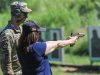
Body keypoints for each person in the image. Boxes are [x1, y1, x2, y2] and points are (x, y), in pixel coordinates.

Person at [0, 1, 32, 75]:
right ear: (16, 13)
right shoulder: (7, 34)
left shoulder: (20, 29)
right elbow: (6, 65)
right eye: (25, 14)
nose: (26, 17)